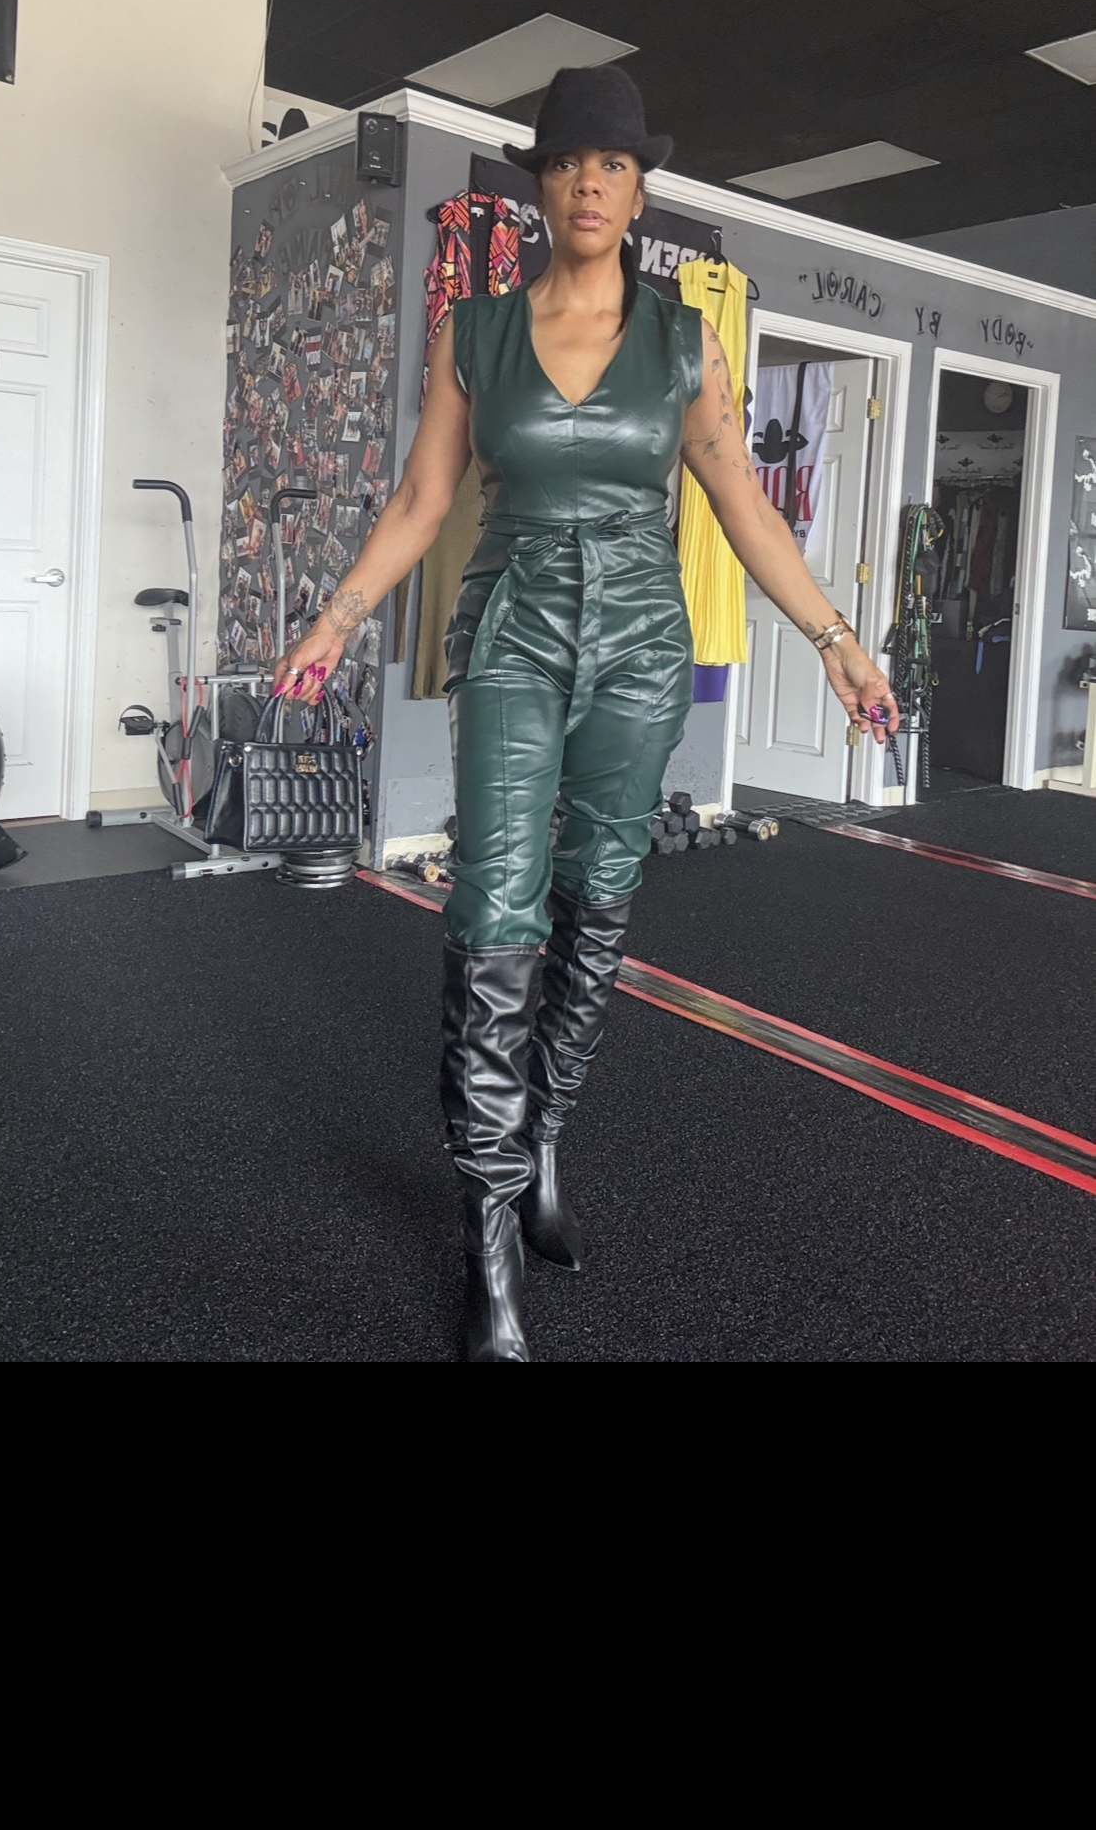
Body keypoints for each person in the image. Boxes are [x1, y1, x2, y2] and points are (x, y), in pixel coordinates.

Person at [276, 67, 899, 1363]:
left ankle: (544, 1130)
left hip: (638, 641)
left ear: (639, 189)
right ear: (540, 184)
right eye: (567, 162)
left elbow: (741, 504)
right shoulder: (475, 332)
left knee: (598, 899)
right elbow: (422, 502)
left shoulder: (685, 339)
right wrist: (336, 619)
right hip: (511, 626)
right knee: (493, 909)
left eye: (613, 164)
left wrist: (835, 640)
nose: (589, 184)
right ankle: (489, 1230)